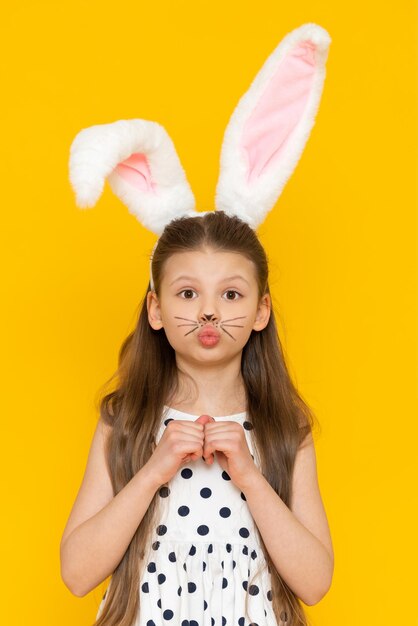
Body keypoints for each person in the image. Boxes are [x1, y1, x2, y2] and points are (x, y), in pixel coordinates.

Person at [61, 23, 333, 626]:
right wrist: (155, 468)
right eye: (187, 293)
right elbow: (77, 572)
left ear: (261, 310)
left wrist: (250, 475)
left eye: (231, 293)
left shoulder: (284, 429)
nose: (209, 311)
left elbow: (315, 583)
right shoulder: (124, 422)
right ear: (156, 309)